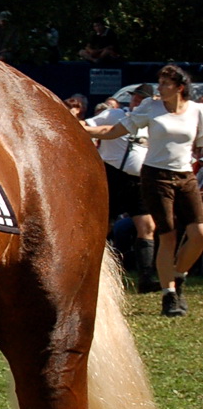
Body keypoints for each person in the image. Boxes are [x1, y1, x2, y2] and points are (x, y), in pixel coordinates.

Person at [118, 65, 203, 317]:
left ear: (180, 87)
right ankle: (169, 296)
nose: (160, 88)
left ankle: (178, 276)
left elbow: (199, 146)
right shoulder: (151, 108)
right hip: (155, 176)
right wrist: (83, 129)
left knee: (199, 233)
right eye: (159, 83)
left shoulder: (197, 111)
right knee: (168, 236)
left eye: (165, 83)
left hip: (185, 176)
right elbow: (118, 129)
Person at [83, 85, 158, 289]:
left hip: (139, 180)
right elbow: (88, 124)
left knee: (147, 226)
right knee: (102, 225)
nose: (137, 102)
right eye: (135, 98)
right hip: (113, 175)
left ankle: (146, 278)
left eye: (142, 99)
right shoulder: (115, 114)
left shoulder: (153, 121)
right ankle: (90, 269)